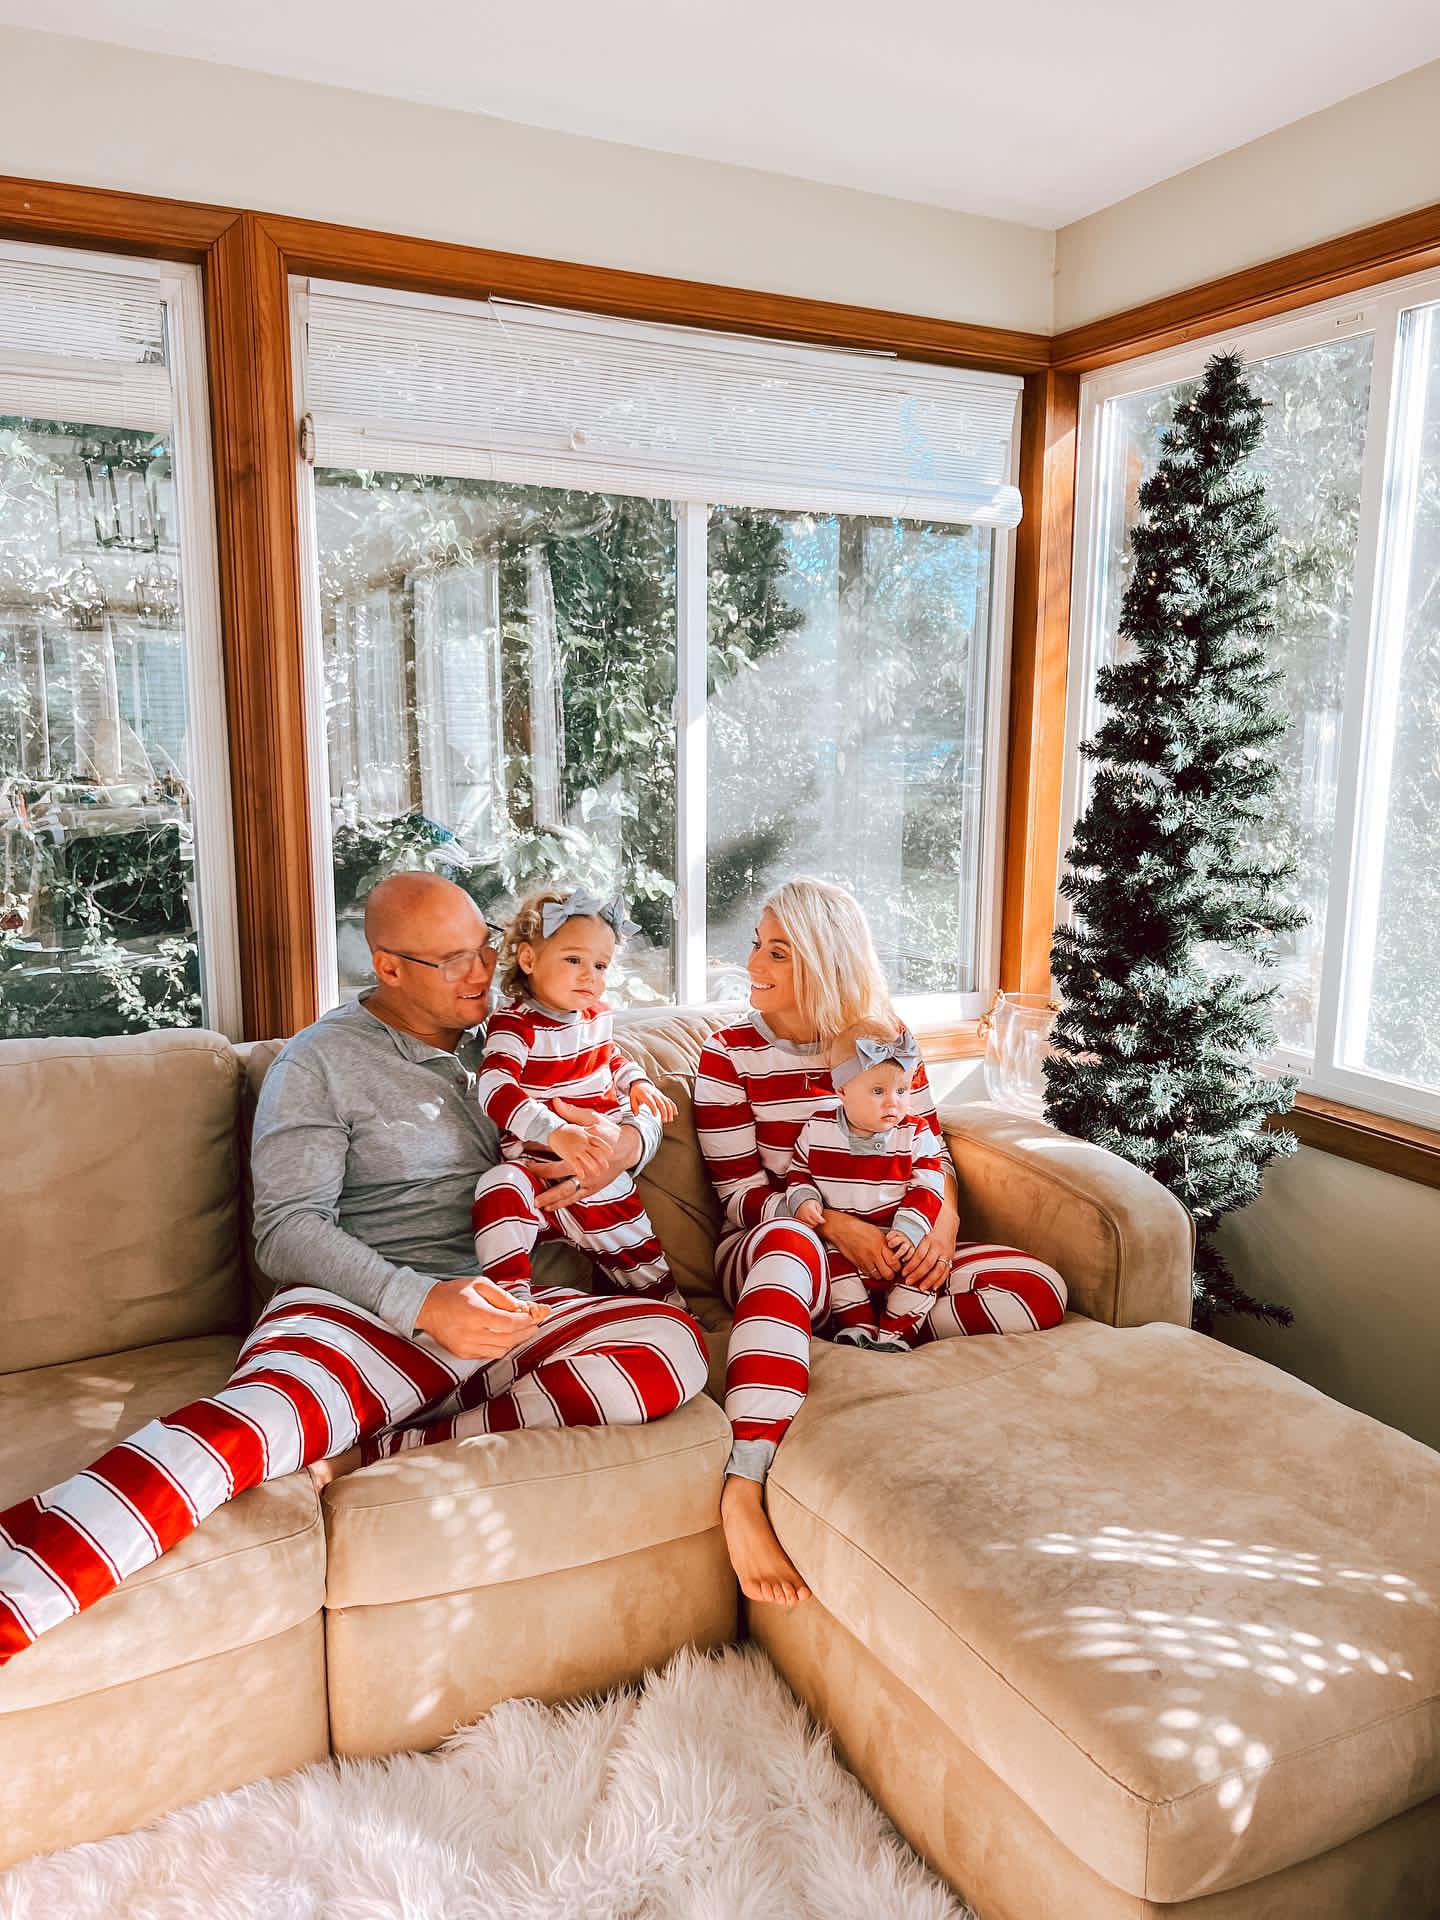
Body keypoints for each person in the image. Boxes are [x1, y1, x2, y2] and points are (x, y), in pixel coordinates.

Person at [0, 871, 709, 1665]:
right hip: (368, 1311)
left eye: (483, 948)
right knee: (246, 1433)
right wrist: (421, 1302)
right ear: (389, 967)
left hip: (514, 1303)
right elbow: (286, 1230)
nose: (481, 973)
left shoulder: (519, 1031)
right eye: (452, 961)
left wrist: (625, 1147)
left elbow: (625, 1087)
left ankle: (388, 1445)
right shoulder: (322, 1062)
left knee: (674, 1349)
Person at [695, 876, 1068, 1611]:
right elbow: (739, 1196)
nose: (753, 964)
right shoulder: (728, 1056)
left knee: (1038, 1289)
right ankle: (744, 1487)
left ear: (825, 961)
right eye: (758, 945)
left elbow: (933, 1152)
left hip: (890, 1255)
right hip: (781, 1253)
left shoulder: (887, 1041)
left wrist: (941, 1227)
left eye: (777, 952)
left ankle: (881, 1327)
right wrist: (837, 1227)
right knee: (787, 1244)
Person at [470, 886, 680, 1306]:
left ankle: (671, 1309)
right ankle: (511, 1301)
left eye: (600, 965)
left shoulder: (597, 1017)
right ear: (528, 959)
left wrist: (637, 1084)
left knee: (641, 1260)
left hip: (597, 1166)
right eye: (574, 960)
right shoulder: (515, 1024)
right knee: (497, 1189)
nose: (590, 976)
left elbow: (612, 1060)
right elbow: (495, 1087)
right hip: (534, 1168)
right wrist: (553, 1132)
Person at [785, 1020, 947, 1351]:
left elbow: (929, 1186)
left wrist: (909, 1230)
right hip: (843, 1247)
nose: (893, 1103)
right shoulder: (818, 1130)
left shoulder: (915, 1133)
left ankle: (894, 1336)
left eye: (901, 1091)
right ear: (842, 1091)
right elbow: (799, 1173)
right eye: (878, 1092)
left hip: (901, 1240)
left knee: (920, 1275)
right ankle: (856, 1327)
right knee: (830, 1267)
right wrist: (804, 1200)